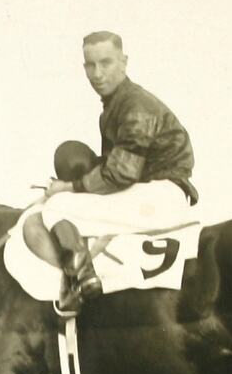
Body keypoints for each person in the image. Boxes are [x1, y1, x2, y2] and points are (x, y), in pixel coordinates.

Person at [31, 31, 199, 314]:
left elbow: (121, 174)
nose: (97, 73)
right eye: (90, 65)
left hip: (161, 196)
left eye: (106, 63)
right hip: (147, 191)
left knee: (57, 206)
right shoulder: (114, 106)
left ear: (124, 62)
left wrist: (67, 188)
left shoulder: (136, 105)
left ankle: (83, 277)